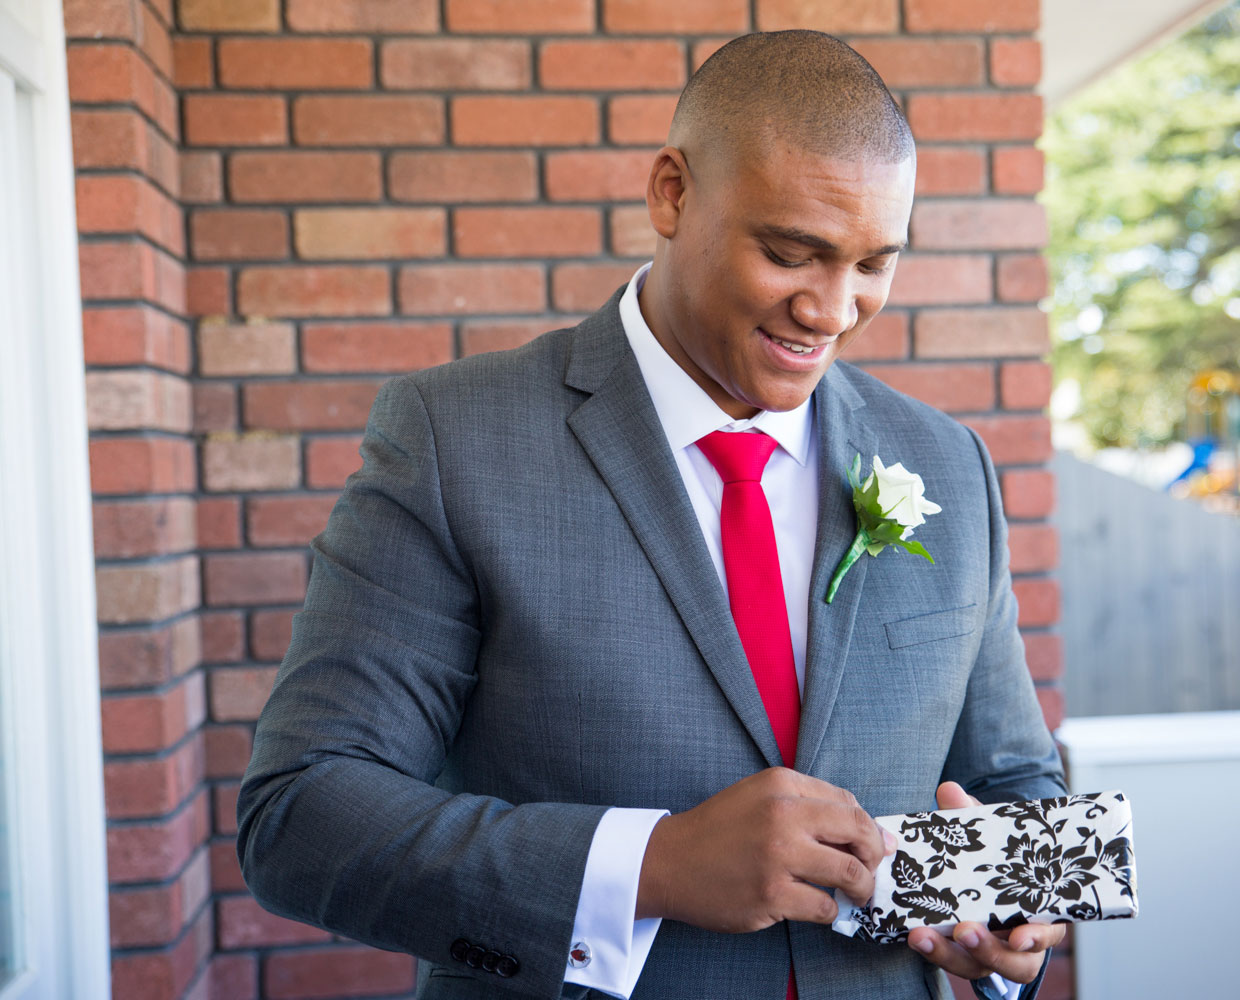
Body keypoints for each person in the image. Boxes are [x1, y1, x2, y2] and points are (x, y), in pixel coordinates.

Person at [237, 29, 1067, 1000]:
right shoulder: (451, 438)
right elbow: (301, 816)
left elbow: (1014, 780)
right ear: (671, 192)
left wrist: (1020, 920)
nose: (834, 310)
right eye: (792, 253)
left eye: (873, 263)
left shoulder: (946, 463)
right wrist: (657, 863)